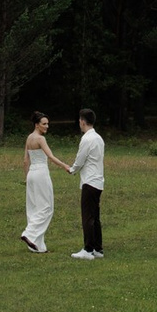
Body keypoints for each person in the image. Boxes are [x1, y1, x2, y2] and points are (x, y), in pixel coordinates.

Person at [18, 111, 69, 253]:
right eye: (44, 124)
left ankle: (38, 246)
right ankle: (29, 233)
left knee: (34, 207)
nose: (47, 126)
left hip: (32, 174)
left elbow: (25, 160)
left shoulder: (29, 138)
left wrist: (27, 176)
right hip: (41, 173)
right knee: (47, 207)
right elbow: (50, 156)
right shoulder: (40, 139)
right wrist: (65, 166)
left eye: (47, 124)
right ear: (36, 125)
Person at [69, 108, 105, 259]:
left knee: (88, 217)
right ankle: (98, 248)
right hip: (98, 181)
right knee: (95, 216)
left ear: (83, 122)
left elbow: (80, 159)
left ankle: (88, 249)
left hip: (89, 182)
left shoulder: (87, 139)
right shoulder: (98, 138)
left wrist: (72, 169)